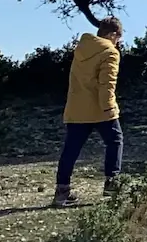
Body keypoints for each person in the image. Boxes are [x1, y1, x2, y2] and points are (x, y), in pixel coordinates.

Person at [54, 17, 125, 207]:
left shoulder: (81, 48)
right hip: (100, 108)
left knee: (71, 150)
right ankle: (112, 186)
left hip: (76, 107)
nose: (119, 41)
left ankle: (61, 192)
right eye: (119, 37)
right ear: (112, 35)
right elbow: (107, 84)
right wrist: (109, 107)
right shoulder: (110, 52)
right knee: (115, 141)